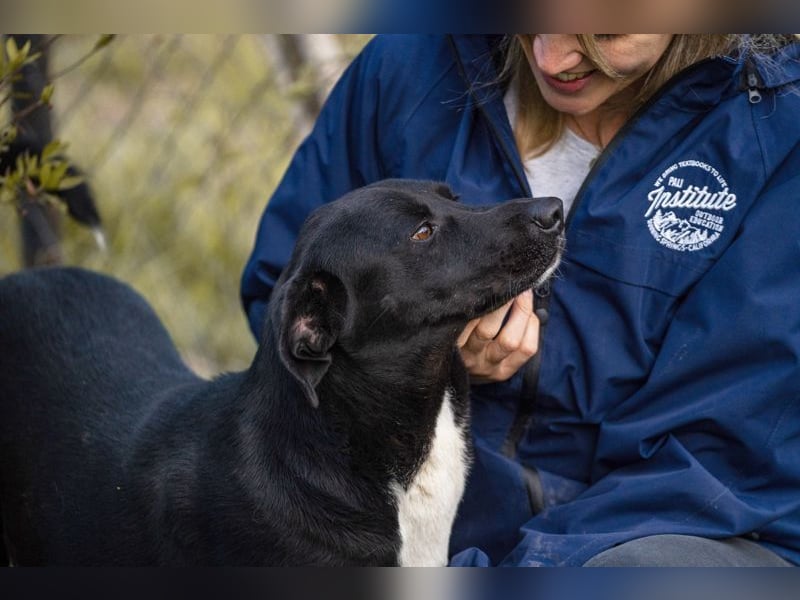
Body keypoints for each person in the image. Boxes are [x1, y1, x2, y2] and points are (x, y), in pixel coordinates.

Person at [241, 34, 800, 566]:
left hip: (674, 535)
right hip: (413, 526)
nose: (552, 56)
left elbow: (718, 467)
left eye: (604, 31)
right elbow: (290, 305)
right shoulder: (417, 60)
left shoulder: (777, 132)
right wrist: (419, 362)